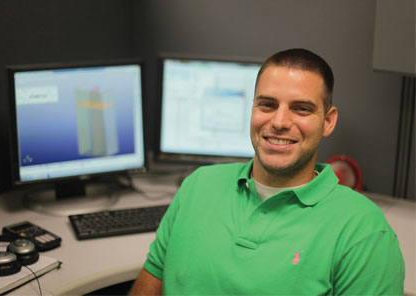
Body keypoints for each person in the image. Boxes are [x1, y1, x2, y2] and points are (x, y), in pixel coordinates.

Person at [129, 48, 405, 295]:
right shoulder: (198, 186)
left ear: (328, 121)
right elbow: (151, 282)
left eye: (301, 109)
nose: (280, 122)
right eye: (268, 105)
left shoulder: (364, 232)